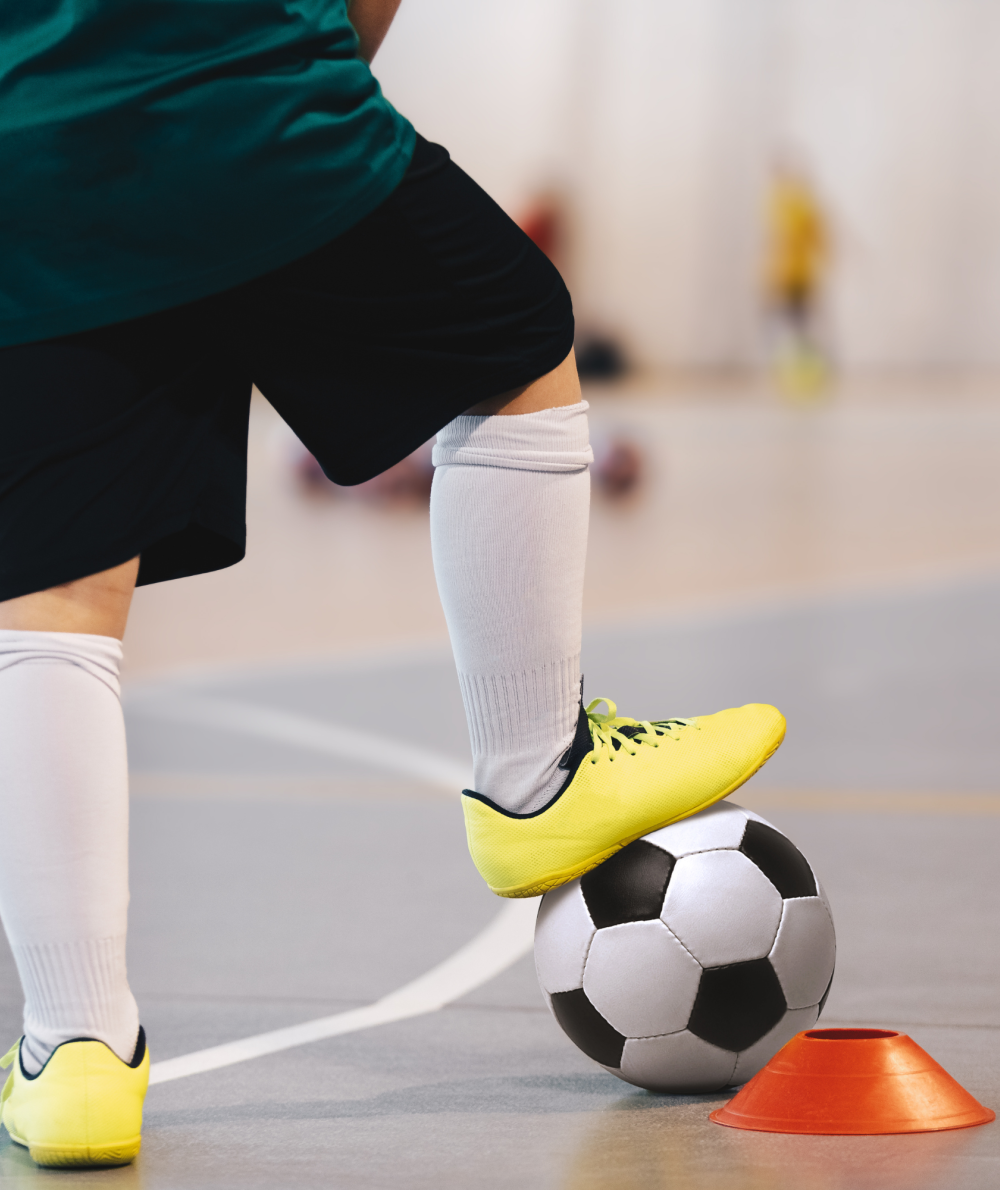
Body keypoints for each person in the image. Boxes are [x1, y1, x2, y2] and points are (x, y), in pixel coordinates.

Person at [0, 0, 785, 1167]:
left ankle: (75, 1054)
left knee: (56, 598)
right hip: (254, 97)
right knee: (514, 340)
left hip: (42, 151)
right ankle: (535, 773)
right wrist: (322, 65)